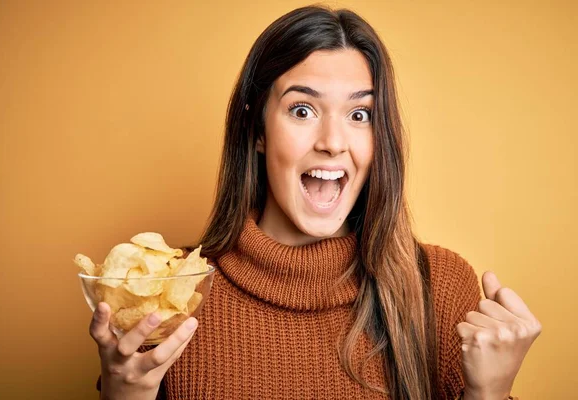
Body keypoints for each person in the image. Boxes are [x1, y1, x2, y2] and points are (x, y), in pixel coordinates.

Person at [89, 5, 541, 400]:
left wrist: (489, 393)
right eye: (302, 110)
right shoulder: (175, 294)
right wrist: (124, 396)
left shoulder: (438, 289)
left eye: (359, 114)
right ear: (258, 130)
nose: (332, 142)